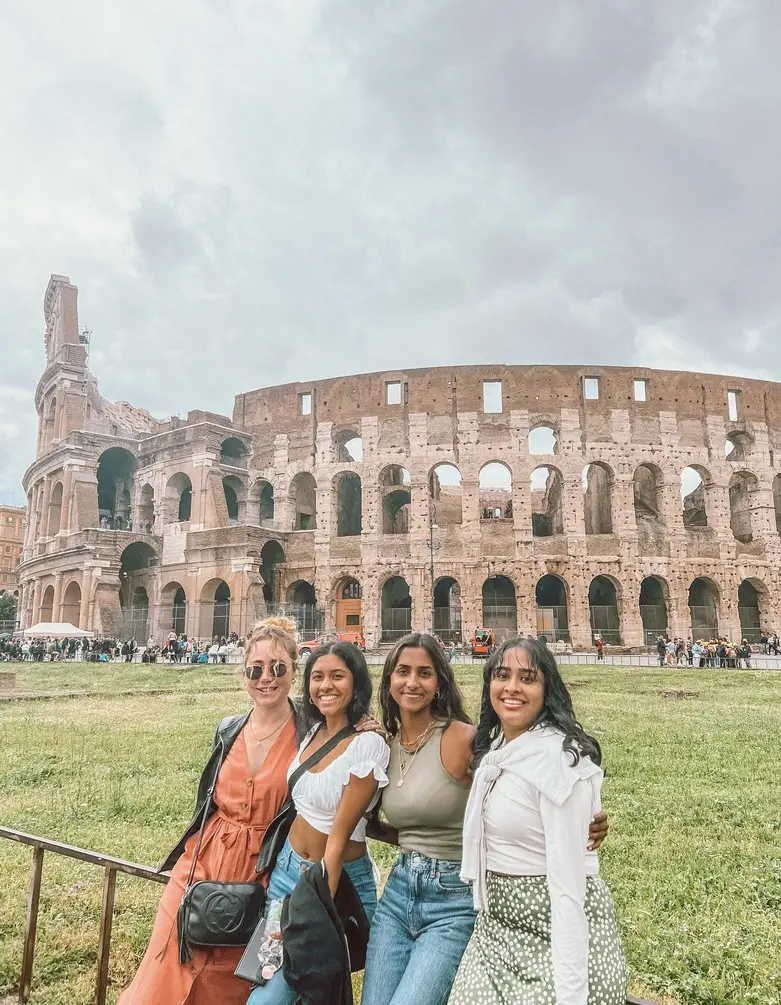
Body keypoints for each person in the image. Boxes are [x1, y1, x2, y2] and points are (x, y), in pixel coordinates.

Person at [120, 616, 367, 1005]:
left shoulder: (313, 730)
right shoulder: (229, 728)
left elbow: (351, 745)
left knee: (235, 979)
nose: (266, 677)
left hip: (265, 872)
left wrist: (367, 726)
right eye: (256, 669)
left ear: (293, 671)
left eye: (277, 668)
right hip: (201, 864)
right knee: (169, 965)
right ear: (244, 673)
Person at [361, 633, 609, 1005]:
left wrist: (587, 815)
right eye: (403, 672)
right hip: (399, 890)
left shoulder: (471, 743)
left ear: (440, 683)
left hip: (455, 894)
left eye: (424, 673)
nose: (412, 682)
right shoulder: (385, 744)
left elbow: (529, 788)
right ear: (388, 680)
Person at [448, 638, 627, 1005]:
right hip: (497, 925)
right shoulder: (499, 746)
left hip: (557, 929)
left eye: (527, 678)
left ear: (548, 691)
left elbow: (568, 893)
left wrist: (571, 996)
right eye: (502, 676)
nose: (512, 687)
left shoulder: (560, 762)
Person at [248, 641, 390, 1005]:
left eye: (337, 676)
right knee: (263, 975)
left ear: (356, 683)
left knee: (290, 993)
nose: (325, 685)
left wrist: (313, 907)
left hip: (332, 881)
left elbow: (338, 839)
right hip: (285, 875)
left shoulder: (368, 744)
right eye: (317, 677)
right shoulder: (311, 733)